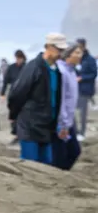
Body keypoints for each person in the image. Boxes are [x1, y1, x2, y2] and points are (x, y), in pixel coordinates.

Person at [7, 33, 67, 165]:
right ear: (48, 47)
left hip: (48, 126)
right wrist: (13, 115)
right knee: (30, 164)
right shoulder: (33, 67)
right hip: (30, 125)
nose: (61, 53)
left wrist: (59, 124)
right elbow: (17, 93)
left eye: (63, 50)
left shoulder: (57, 71)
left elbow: (57, 100)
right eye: (58, 49)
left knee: (47, 164)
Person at [53, 43, 83, 170]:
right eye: (77, 53)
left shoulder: (72, 71)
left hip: (69, 119)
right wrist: (62, 124)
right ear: (68, 55)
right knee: (62, 155)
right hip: (61, 121)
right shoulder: (62, 71)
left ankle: (61, 174)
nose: (80, 55)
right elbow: (61, 99)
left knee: (74, 151)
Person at [2, 50, 27, 141]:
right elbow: (5, 81)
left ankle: (22, 135)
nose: (18, 60)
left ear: (23, 58)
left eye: (20, 58)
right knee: (13, 116)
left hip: (24, 95)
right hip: (13, 95)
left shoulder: (27, 67)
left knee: (23, 115)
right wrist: (2, 93)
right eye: (17, 58)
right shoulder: (11, 67)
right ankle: (16, 135)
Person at [76, 38, 96, 140]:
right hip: (75, 89)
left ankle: (82, 133)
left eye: (79, 46)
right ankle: (76, 131)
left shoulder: (90, 59)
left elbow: (94, 74)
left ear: (83, 46)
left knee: (82, 113)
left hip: (85, 90)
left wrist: (82, 78)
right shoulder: (76, 58)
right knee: (73, 111)